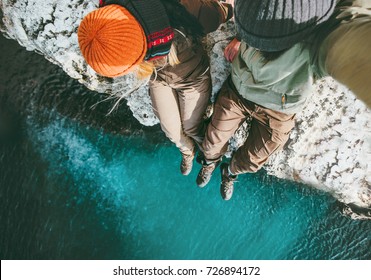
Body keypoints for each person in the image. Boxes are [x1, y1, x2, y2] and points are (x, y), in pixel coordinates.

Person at [197, 0, 371, 201]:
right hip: (240, 91)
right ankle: (209, 161)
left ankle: (231, 172)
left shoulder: (322, 38)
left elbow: (353, 42)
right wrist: (241, 36)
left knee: (253, 160)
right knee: (212, 142)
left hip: (279, 109)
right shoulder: (258, 12)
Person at [77, 0, 233, 175]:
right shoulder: (109, 22)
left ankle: (211, 160)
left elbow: (214, 15)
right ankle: (188, 152)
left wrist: (226, 10)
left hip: (192, 79)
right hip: (159, 78)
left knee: (192, 128)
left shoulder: (180, 12)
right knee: (172, 132)